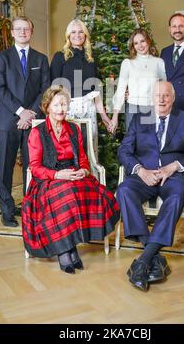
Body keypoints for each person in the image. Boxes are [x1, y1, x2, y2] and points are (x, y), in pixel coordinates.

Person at [117, 80, 184, 291]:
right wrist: (140, 170)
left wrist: (174, 166)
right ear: (152, 98)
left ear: (173, 98)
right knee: (124, 190)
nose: (161, 99)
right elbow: (124, 151)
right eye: (157, 95)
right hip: (144, 176)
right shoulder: (140, 119)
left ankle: (143, 261)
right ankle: (153, 257)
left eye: (166, 95)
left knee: (177, 196)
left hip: (172, 177)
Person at [21, 86, 120, 273]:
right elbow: (35, 167)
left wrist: (83, 170)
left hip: (73, 173)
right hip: (47, 179)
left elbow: (82, 158)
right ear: (48, 106)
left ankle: (69, 247)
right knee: (66, 194)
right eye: (57, 105)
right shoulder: (37, 132)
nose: (61, 109)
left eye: (64, 104)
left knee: (95, 192)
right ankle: (66, 252)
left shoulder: (73, 129)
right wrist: (58, 175)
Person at [0, 16, 50, 228]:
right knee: (5, 168)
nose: (22, 32)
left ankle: (30, 206)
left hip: (33, 121)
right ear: (12, 32)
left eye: (26, 29)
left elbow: (45, 88)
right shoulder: (2, 58)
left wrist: (31, 113)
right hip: (8, 120)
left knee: (32, 165)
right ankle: (7, 210)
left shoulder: (41, 59)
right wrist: (20, 112)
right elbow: (0, 88)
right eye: (18, 29)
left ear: (31, 31)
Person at [50, 19, 112, 152]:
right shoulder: (60, 57)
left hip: (89, 109)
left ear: (85, 35)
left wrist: (104, 116)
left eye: (80, 32)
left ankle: (89, 173)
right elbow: (54, 90)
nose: (77, 35)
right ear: (68, 35)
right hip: (67, 110)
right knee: (69, 149)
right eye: (73, 32)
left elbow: (96, 90)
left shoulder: (92, 58)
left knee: (89, 148)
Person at [111, 29, 166, 132]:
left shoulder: (159, 62)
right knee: (132, 144)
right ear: (133, 46)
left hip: (153, 108)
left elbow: (165, 88)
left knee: (153, 144)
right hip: (133, 109)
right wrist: (115, 116)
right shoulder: (127, 63)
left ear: (148, 41)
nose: (140, 45)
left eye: (142, 41)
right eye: (136, 43)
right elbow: (120, 90)